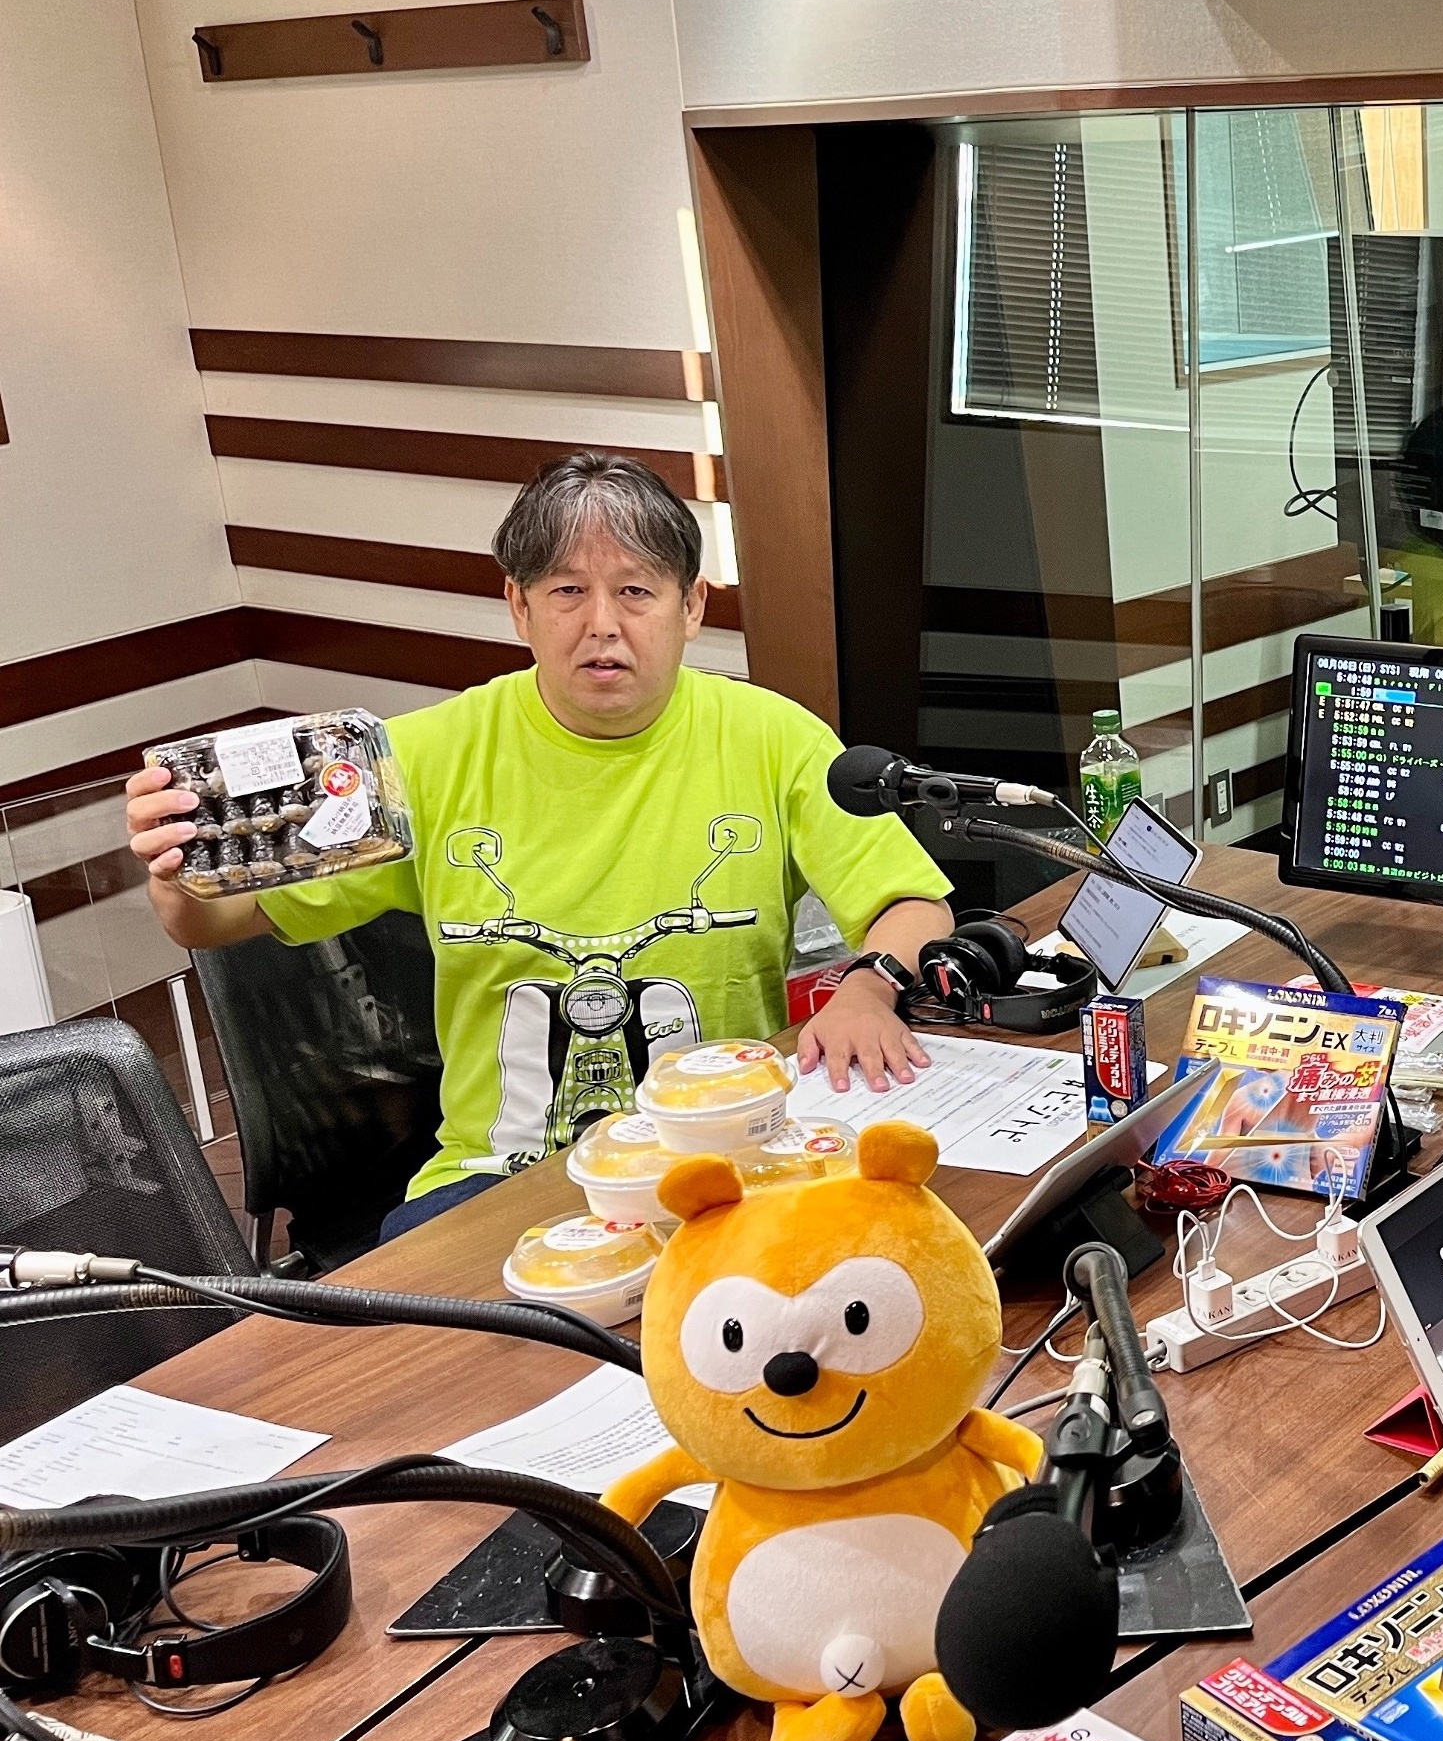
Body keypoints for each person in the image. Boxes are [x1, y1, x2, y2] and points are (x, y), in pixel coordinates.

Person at [127, 453, 958, 1241]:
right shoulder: (417, 759)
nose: (603, 625)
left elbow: (913, 904)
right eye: (567, 591)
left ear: (692, 607)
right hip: (498, 1178)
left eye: (635, 591)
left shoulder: (771, 737)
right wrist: (175, 868)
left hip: (723, 1161)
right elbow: (214, 922)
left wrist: (868, 988)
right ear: (519, 607)